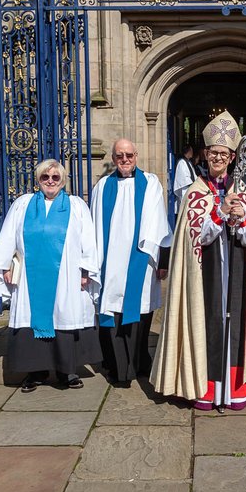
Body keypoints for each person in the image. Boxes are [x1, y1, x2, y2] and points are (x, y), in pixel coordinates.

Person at [152, 110, 246, 411]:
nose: (218, 158)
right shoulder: (194, 193)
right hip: (205, 276)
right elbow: (192, 239)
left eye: (224, 154)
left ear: (233, 157)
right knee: (207, 322)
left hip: (236, 273)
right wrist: (220, 211)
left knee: (237, 324)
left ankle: (236, 389)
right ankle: (206, 389)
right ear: (205, 154)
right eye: (213, 153)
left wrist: (241, 222)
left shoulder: (244, 192)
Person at [0, 159, 101, 391]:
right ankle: (35, 372)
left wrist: (86, 270)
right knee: (32, 319)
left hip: (66, 275)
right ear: (38, 180)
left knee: (63, 317)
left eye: (55, 177)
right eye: (45, 177)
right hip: (30, 277)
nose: (50, 181)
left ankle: (66, 371)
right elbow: (9, 234)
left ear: (63, 181)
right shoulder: (23, 204)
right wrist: (4, 266)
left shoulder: (76, 205)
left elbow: (88, 240)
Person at [90, 139, 171, 387]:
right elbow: (93, 227)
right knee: (111, 310)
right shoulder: (103, 185)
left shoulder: (150, 183)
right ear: (113, 159)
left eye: (129, 155)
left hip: (141, 258)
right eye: (119, 156)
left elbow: (160, 223)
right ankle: (116, 366)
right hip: (110, 260)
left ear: (136, 155)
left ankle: (138, 362)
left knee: (140, 310)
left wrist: (162, 261)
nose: (124, 160)